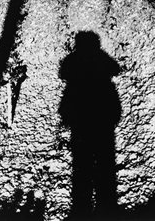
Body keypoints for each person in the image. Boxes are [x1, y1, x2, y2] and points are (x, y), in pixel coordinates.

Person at [58, 31, 121, 218]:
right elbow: (115, 108)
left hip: (81, 126)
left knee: (82, 167)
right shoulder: (105, 73)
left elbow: (65, 106)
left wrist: (68, 118)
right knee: (105, 167)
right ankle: (107, 209)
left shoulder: (74, 75)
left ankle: (81, 211)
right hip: (103, 126)